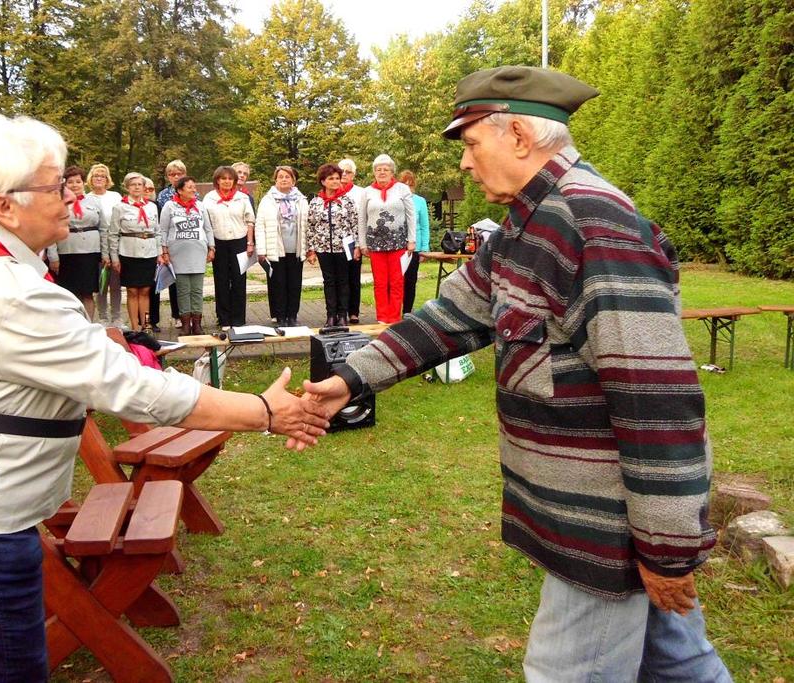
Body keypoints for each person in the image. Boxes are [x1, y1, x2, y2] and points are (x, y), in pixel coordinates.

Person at [303, 66, 731, 682]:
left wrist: (666, 548)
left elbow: (655, 396)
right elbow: (451, 317)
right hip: (585, 516)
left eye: (472, 144)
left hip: (604, 528)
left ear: (521, 137)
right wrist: (350, 378)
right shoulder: (525, 226)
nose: (466, 164)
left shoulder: (590, 223)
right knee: (678, 663)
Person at [0, 113, 329, 682]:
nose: (70, 196)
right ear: (4, 205)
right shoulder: (6, 291)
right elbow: (135, 390)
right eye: (54, 185)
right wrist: (265, 412)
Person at [357, 155, 415, 324]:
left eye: (386, 169)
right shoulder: (367, 191)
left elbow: (411, 216)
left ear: (392, 172)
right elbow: (362, 218)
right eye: (378, 169)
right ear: (374, 172)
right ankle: (382, 317)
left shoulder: (402, 189)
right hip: (375, 243)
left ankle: (395, 317)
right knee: (380, 282)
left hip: (398, 242)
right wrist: (362, 243)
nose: (382, 172)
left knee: (397, 281)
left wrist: (411, 239)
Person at [45, 166, 103, 319]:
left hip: (90, 252)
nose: (75, 185)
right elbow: (52, 229)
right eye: (70, 182)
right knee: (70, 292)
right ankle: (73, 323)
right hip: (67, 252)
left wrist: (106, 254)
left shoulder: (94, 201)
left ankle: (89, 323)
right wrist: (53, 256)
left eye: (78, 181)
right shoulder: (58, 201)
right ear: (64, 184)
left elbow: (103, 228)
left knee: (88, 292)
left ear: (84, 183)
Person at [159, 175, 214, 335]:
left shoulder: (200, 206)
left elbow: (208, 228)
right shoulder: (169, 206)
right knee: (183, 290)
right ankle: (185, 325)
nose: (194, 190)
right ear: (180, 190)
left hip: (198, 253)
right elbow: (163, 230)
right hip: (178, 255)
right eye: (190, 187)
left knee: (197, 290)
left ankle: (197, 324)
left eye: (194, 186)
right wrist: (164, 251)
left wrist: (212, 248)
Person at [306, 163, 359, 327]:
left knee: (343, 281)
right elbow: (310, 227)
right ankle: (331, 315)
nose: (336, 181)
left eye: (337, 178)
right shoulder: (315, 202)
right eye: (331, 178)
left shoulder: (347, 201)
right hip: (323, 248)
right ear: (323, 181)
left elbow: (355, 224)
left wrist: (357, 246)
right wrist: (311, 250)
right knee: (329, 281)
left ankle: (343, 315)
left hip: (343, 247)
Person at [255, 166, 308, 327]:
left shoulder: (301, 199)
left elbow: (307, 225)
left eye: (287, 177)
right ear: (275, 180)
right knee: (278, 284)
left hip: (296, 249)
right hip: (275, 249)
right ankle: (280, 317)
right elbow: (260, 225)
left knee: (294, 283)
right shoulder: (268, 200)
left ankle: (292, 315)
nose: (284, 179)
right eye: (281, 177)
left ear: (294, 180)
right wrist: (261, 250)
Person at [108, 172, 160, 331]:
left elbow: (157, 231)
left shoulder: (151, 206)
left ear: (145, 188)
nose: (137, 187)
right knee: (132, 291)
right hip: (129, 252)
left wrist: (159, 253)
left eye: (140, 184)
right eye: (133, 184)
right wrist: (114, 258)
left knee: (145, 290)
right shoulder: (120, 207)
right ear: (127, 187)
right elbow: (113, 234)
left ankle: (145, 324)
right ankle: (135, 326)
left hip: (149, 253)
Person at [205, 165, 255, 329]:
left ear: (234, 181)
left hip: (239, 242)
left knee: (239, 280)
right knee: (221, 280)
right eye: (223, 178)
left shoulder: (242, 197)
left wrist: (249, 243)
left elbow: (250, 221)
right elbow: (206, 223)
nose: (227, 181)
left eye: (229, 178)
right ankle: (224, 318)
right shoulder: (209, 198)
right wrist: (210, 247)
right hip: (218, 242)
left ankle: (238, 318)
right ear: (217, 180)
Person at [153, 160, 189, 332]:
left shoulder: (193, 193)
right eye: (172, 174)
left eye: (179, 174)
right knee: (173, 280)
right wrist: (164, 246)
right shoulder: (163, 195)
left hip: (188, 243)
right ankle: (176, 315)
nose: (176, 177)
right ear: (168, 176)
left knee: (186, 281)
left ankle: (186, 313)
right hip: (171, 242)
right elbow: (161, 223)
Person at [86, 163, 124, 327]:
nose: (99, 179)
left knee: (115, 283)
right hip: (97, 244)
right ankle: (102, 317)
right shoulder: (86, 198)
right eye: (96, 176)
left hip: (115, 242)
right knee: (102, 283)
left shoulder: (115, 196)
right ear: (91, 179)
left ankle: (116, 317)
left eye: (102, 176)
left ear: (107, 179)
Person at [398, 170, 430, 315]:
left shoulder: (420, 201)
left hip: (414, 248)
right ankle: (393, 310)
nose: (408, 188)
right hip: (397, 246)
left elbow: (424, 226)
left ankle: (407, 310)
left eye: (410, 185)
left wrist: (424, 248)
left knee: (410, 280)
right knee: (397, 281)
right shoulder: (395, 200)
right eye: (405, 185)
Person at [338, 158, 364, 324]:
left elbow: (362, 219)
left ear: (353, 175)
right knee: (340, 278)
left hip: (354, 240)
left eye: (348, 172)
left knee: (354, 277)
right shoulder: (331, 190)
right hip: (336, 241)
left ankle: (353, 312)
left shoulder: (361, 193)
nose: (344, 175)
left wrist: (360, 244)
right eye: (342, 171)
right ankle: (341, 311)